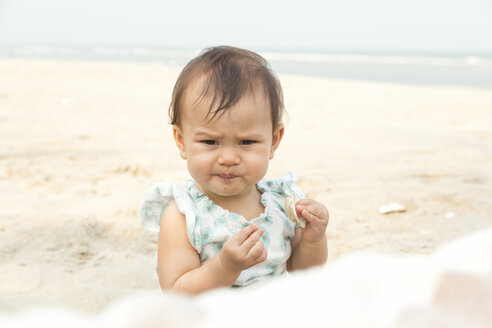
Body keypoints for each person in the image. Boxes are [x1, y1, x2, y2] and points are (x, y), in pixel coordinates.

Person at [139, 46, 329, 294]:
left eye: (247, 142)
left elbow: (303, 272)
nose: (228, 158)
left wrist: (313, 240)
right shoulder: (183, 215)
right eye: (210, 142)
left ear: (274, 140)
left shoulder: (282, 202)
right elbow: (176, 293)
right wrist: (225, 267)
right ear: (181, 141)